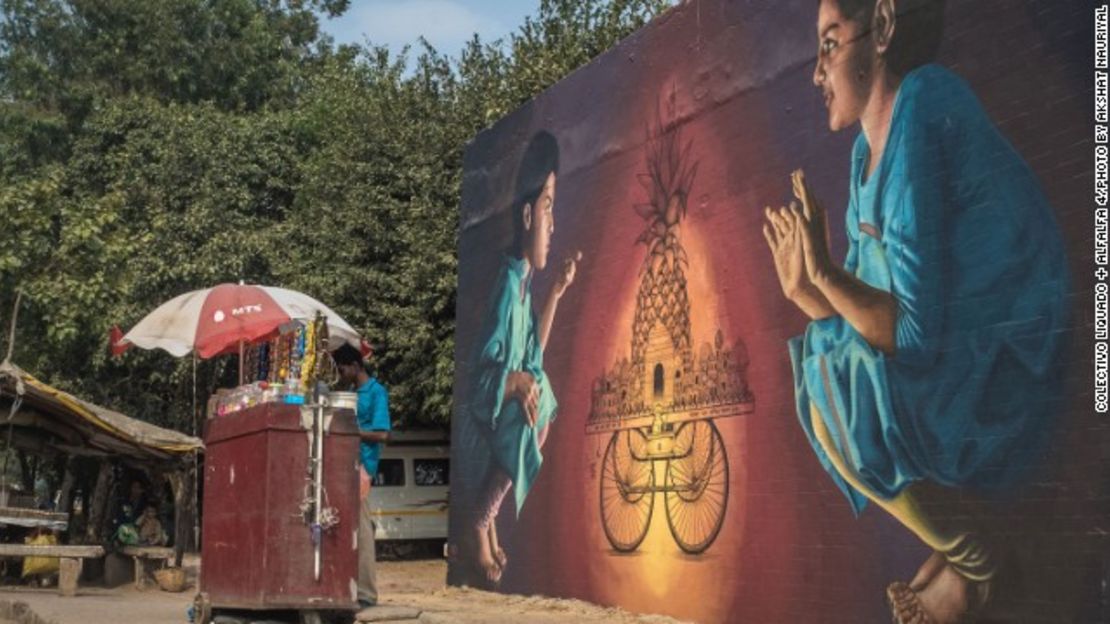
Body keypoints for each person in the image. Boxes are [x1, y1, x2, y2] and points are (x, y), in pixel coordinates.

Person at [761, 1, 1069, 622]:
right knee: (826, 357)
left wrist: (823, 274)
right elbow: (870, 310)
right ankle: (957, 552)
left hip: (1009, 358)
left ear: (885, 25)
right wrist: (806, 288)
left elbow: (912, 333)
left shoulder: (924, 103)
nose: (816, 73)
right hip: (954, 348)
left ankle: (975, 563)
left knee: (837, 388)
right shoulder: (862, 156)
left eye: (829, 43)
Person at [463, 130, 580, 584]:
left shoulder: (524, 287)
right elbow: (483, 380)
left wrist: (557, 291)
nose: (554, 223)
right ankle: (480, 519)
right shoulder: (506, 290)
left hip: (500, 416)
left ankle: (485, 517)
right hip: (483, 419)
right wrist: (513, 383)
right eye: (549, 207)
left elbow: (532, 357)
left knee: (542, 395)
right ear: (529, 214)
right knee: (535, 406)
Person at [333, 343, 390, 609]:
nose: (340, 374)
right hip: (345, 466)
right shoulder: (351, 394)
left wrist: (349, 431)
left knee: (362, 531)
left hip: (362, 469)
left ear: (355, 366)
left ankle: (367, 592)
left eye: (342, 368)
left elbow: (382, 434)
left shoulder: (376, 392)